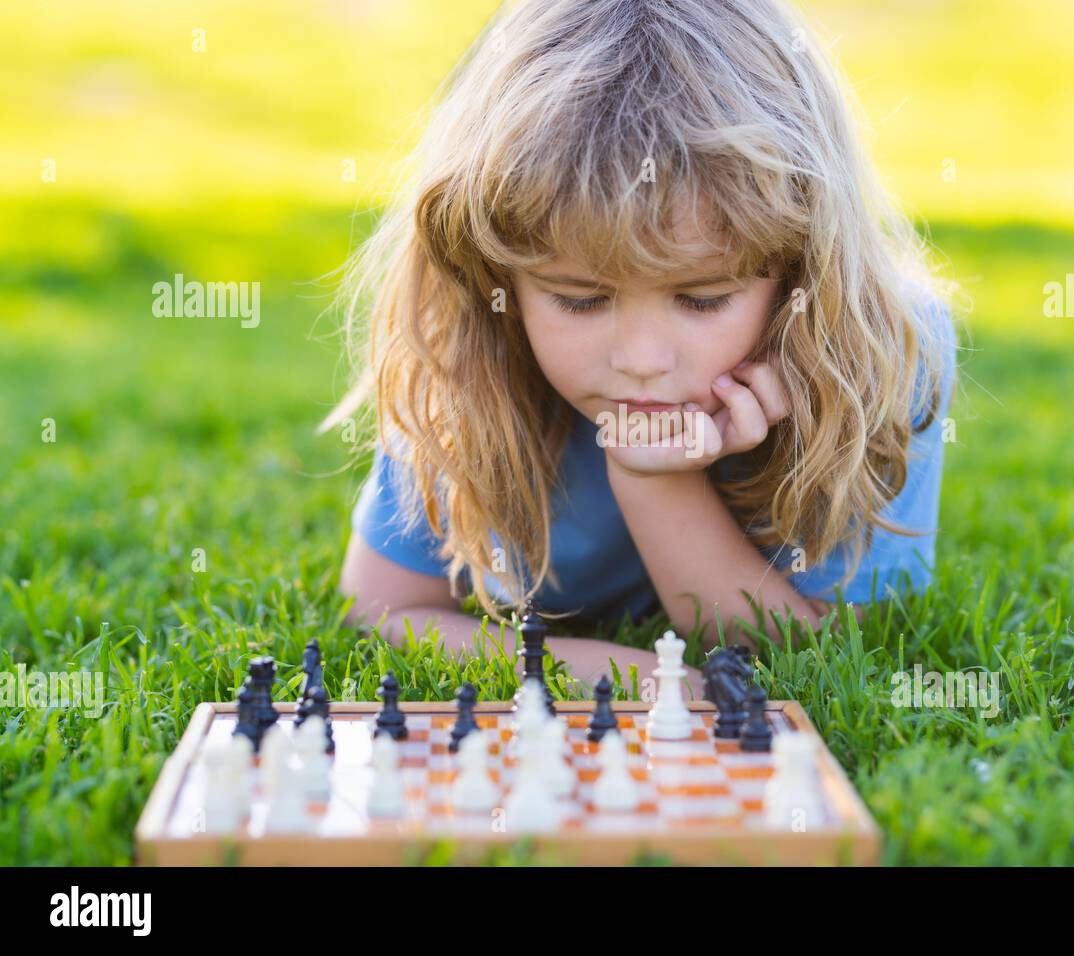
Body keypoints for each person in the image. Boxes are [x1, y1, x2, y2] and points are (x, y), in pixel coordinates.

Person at [332, 0, 958, 696]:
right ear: (493, 270)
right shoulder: (462, 342)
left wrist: (655, 478)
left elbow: (815, 655)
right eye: (579, 299)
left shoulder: (885, 350)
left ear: (800, 268)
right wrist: (589, 667)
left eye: (702, 299)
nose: (641, 359)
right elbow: (383, 603)